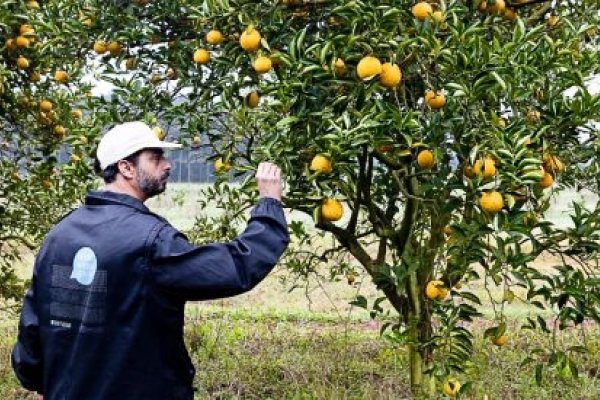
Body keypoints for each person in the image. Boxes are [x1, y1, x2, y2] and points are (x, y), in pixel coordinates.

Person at [11, 121, 289, 400]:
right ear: (126, 168)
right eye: (155, 158)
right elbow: (235, 268)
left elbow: (34, 325)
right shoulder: (151, 242)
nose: (167, 165)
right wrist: (269, 205)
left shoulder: (60, 235)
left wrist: (38, 380)